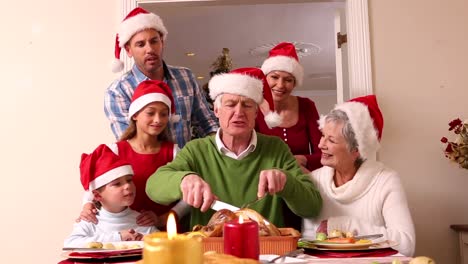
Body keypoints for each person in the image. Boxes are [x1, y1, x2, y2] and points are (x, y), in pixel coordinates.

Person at [145, 67, 322, 229]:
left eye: (247, 105)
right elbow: (153, 187)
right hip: (210, 252)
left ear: (256, 113)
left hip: (266, 252)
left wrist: (286, 182)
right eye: (230, 104)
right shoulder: (197, 149)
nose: (239, 113)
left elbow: (312, 207)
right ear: (216, 110)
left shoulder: (276, 149)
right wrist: (184, 180)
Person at [302, 95, 416, 256]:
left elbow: (406, 244)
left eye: (331, 141)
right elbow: (307, 245)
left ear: (356, 150)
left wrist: (344, 225)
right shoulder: (315, 179)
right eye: (322, 135)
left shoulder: (386, 180)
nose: (321, 145)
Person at [79, 80, 189, 230]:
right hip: (126, 232)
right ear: (135, 115)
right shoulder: (116, 151)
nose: (158, 120)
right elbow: (93, 184)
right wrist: (87, 205)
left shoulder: (174, 152)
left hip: (164, 233)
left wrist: (165, 218)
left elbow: (189, 196)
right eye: (150, 113)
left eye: (163, 114)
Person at [105, 7, 218, 147]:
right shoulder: (118, 92)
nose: (150, 49)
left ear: (162, 42)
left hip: (188, 166)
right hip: (146, 168)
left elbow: (207, 123)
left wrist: (219, 152)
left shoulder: (185, 77)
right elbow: (130, 145)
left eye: (154, 41)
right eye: (140, 44)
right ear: (128, 50)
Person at [64, 144, 157, 247]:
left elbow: (165, 244)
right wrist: (118, 237)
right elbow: (70, 244)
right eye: (117, 184)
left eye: (129, 180)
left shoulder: (142, 221)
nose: (127, 185)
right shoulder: (90, 220)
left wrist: (146, 240)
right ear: (97, 196)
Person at [256, 42, 322, 173]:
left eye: (288, 80)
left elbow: (323, 154)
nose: (280, 85)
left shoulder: (307, 106)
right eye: (274, 77)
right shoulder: (252, 108)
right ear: (265, 79)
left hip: (303, 180)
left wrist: (303, 159)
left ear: (294, 83)